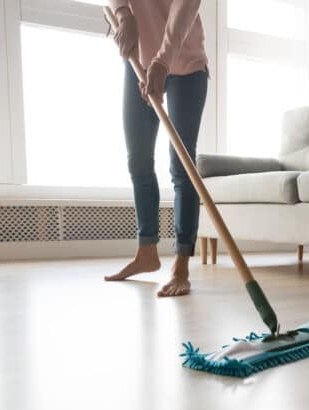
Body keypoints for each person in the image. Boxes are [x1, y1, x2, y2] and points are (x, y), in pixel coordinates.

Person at [104, 0, 208, 297]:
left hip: (186, 64)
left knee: (181, 164)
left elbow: (186, 7)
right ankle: (146, 252)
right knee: (138, 159)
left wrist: (162, 61)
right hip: (139, 60)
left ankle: (181, 264)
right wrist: (124, 14)